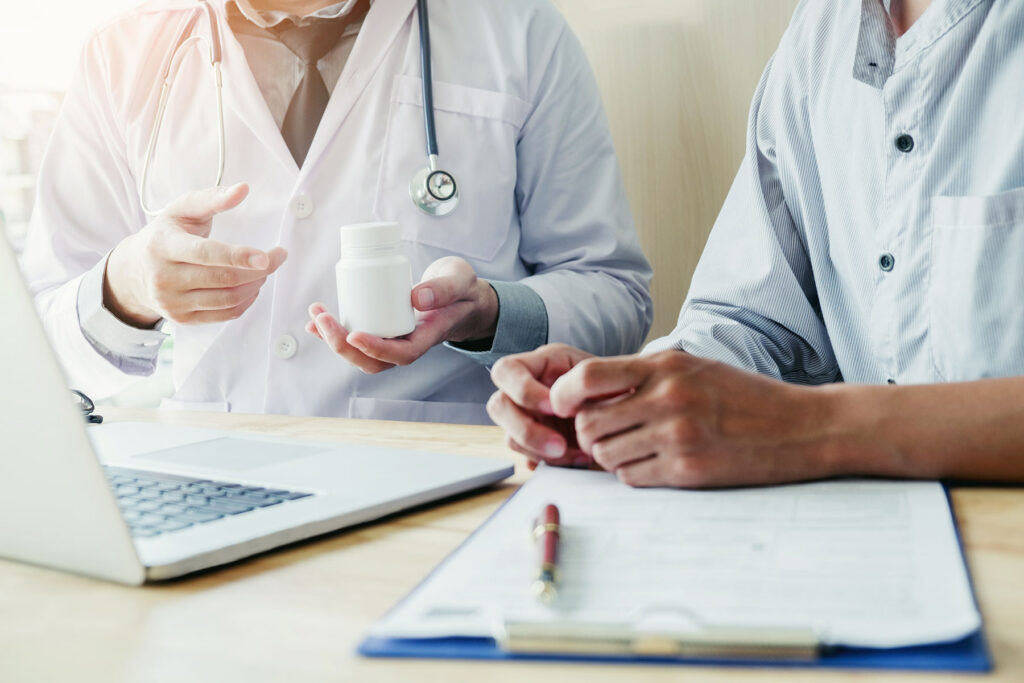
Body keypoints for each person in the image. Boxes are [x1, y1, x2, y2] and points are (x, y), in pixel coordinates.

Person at [20, 0, 652, 424]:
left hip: (440, 487)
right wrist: (126, 287)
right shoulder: (122, 56)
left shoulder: (516, 32)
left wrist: (488, 315)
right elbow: (35, 347)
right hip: (213, 477)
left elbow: (616, 297)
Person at [487, 0, 1024, 485]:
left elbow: (793, 422)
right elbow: (757, 320)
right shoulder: (822, 29)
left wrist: (816, 428)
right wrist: (632, 398)